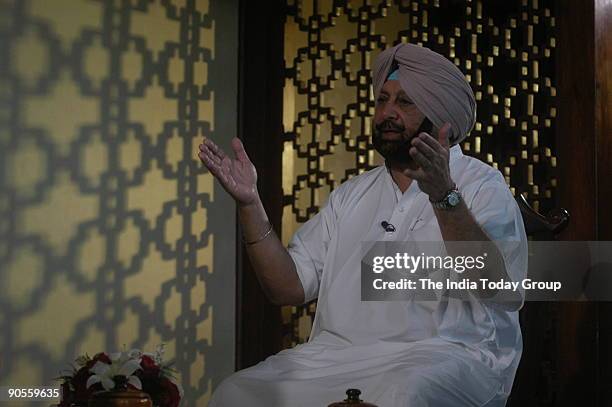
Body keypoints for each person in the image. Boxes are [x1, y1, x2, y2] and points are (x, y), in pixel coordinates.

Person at [198, 43, 527, 406]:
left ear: (441, 118)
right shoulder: (351, 195)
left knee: (403, 394)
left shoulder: (481, 184)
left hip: (446, 355)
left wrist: (443, 194)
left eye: (404, 103)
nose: (386, 113)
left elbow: (500, 291)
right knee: (236, 393)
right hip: (336, 358)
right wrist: (250, 203)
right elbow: (288, 288)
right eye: (382, 100)